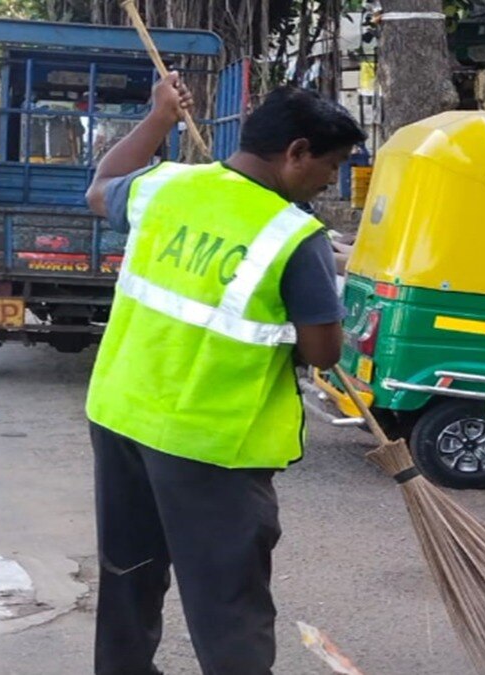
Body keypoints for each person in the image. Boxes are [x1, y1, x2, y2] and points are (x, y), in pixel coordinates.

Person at [83, 73, 366, 675]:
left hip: (121, 414)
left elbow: (100, 186)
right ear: (295, 153)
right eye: (332, 165)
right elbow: (322, 352)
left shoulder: (166, 186)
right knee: (227, 600)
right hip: (213, 442)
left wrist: (159, 117)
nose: (331, 181)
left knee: (129, 571)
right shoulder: (297, 236)